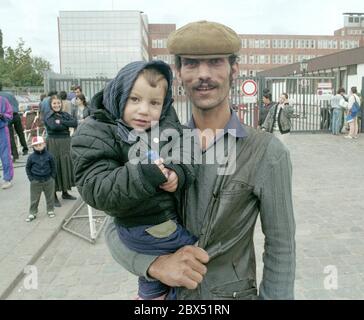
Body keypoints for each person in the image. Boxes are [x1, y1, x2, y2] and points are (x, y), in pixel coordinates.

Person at [102, 20, 296, 300]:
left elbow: (281, 246)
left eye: (215, 62)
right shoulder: (152, 143)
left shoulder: (267, 152)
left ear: (234, 69)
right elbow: (115, 225)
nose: (203, 74)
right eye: (192, 63)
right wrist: (155, 266)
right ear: (179, 72)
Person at [71, 60, 199, 300]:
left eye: (154, 103)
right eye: (135, 99)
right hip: (143, 224)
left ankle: (151, 296)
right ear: (119, 95)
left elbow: (187, 146)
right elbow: (95, 186)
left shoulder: (166, 125)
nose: (144, 110)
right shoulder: (96, 131)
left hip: (163, 218)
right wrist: (143, 173)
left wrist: (177, 171)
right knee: (197, 251)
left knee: (158, 284)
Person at [44, 95, 78, 207]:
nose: (57, 105)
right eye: (54, 103)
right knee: (55, 166)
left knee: (65, 165)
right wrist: (64, 123)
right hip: (53, 143)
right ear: (50, 104)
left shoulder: (64, 114)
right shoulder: (48, 115)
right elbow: (54, 127)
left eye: (58, 103)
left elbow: (74, 123)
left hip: (65, 142)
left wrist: (61, 121)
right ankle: (52, 196)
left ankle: (65, 192)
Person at [25, 136, 56, 222]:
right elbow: (28, 168)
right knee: (34, 198)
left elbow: (53, 166)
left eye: (40, 145)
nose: (38, 147)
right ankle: (33, 212)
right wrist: (31, 179)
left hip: (48, 180)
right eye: (36, 145)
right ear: (33, 147)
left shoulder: (49, 155)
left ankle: (50, 210)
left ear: (44, 144)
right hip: (36, 181)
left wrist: (52, 177)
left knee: (50, 197)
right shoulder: (31, 157)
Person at [0, 83, 29, 160]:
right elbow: (16, 103)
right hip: (16, 114)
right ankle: (25, 149)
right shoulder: (10, 94)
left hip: (7, 116)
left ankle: (15, 155)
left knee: (10, 136)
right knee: (20, 132)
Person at [0, 95, 14, 189]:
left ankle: (7, 179)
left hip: (2, 130)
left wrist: (2, 115)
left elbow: (10, 115)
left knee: (5, 155)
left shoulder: (3, 100)